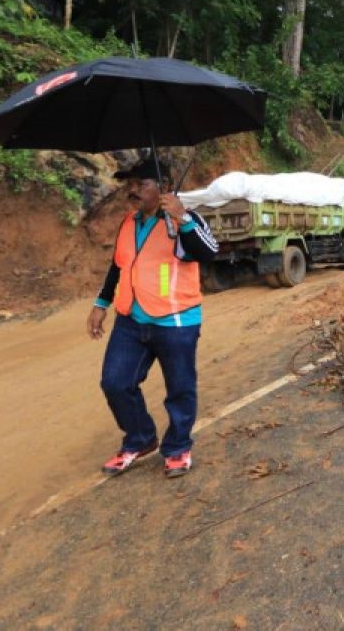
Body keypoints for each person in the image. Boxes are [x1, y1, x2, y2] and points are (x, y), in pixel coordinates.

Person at [87, 156, 219, 478]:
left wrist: (183, 218)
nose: (132, 191)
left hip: (175, 321)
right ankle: (141, 438)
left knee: (180, 388)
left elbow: (210, 252)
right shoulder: (128, 222)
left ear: (164, 188)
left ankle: (177, 448)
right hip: (132, 320)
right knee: (115, 382)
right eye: (129, 185)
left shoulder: (184, 220)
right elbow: (119, 265)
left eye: (140, 185)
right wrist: (101, 303)